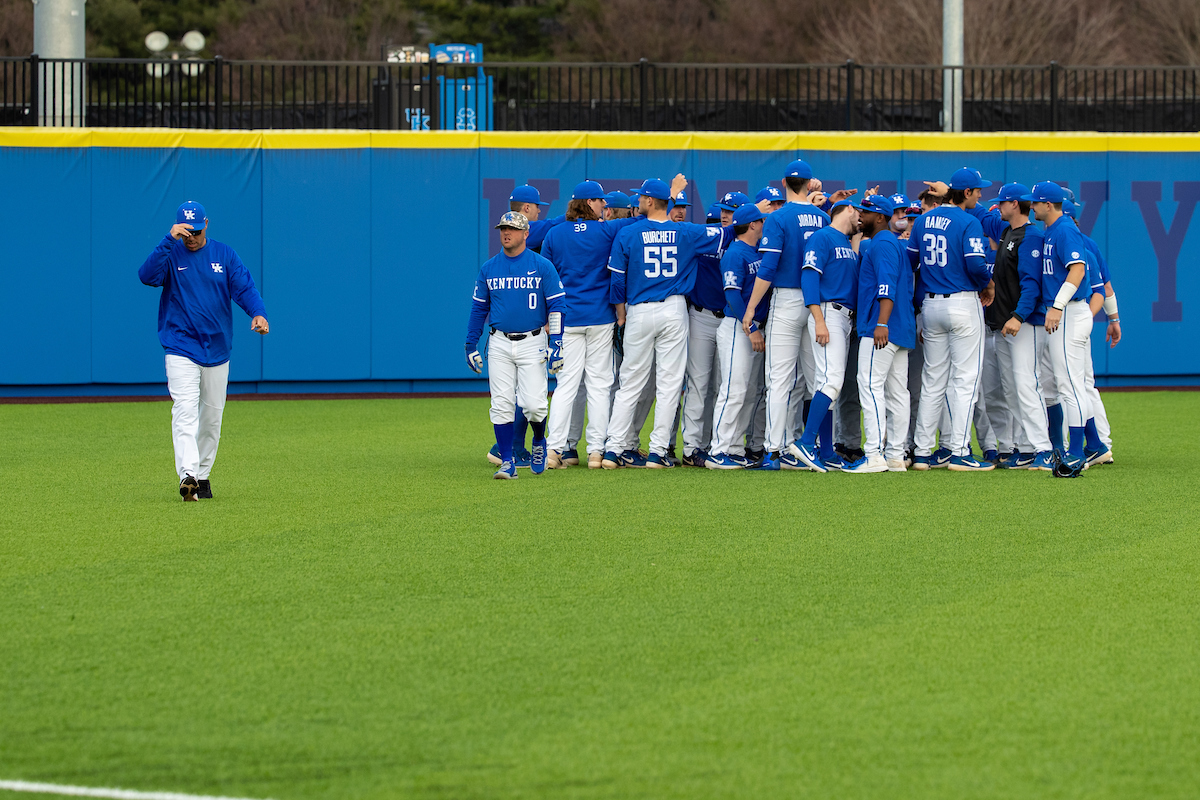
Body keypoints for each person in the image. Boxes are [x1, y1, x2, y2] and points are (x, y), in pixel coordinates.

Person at [138, 200, 269, 502]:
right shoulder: (171, 254)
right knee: (184, 410)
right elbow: (146, 276)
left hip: (217, 348)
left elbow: (245, 288)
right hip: (180, 346)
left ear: (206, 224)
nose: (192, 238)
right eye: (186, 233)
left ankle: (203, 476)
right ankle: (188, 475)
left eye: (196, 231)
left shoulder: (224, 254)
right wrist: (168, 240)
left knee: (211, 418)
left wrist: (258, 313)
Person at [602, 177, 734, 468]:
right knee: (669, 384)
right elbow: (726, 234)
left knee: (630, 383)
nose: (638, 201)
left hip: (638, 310)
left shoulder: (630, 233)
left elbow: (617, 280)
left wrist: (621, 314)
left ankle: (613, 449)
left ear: (650, 201)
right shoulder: (684, 231)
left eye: (642, 197)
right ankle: (658, 451)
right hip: (674, 310)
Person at [541, 181, 640, 469]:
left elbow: (545, 279)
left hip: (567, 318)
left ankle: (553, 449)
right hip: (600, 318)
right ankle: (596, 451)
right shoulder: (607, 230)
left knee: (566, 386)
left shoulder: (554, 233)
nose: (605, 207)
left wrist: (547, 318)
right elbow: (639, 221)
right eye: (600, 202)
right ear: (589, 203)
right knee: (599, 385)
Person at [742, 159, 830, 471]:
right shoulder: (822, 217)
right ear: (810, 184)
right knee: (817, 378)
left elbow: (767, 268)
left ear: (783, 184)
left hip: (787, 299)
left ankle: (773, 452)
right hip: (816, 302)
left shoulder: (777, 218)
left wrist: (751, 307)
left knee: (778, 380)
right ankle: (812, 446)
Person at [465, 212, 566, 479]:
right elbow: (478, 310)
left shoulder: (542, 265)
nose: (505, 233)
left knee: (534, 405)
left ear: (525, 233)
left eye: (511, 228)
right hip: (498, 342)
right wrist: (470, 344)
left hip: (533, 341)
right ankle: (507, 462)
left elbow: (557, 305)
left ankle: (538, 441)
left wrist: (557, 341)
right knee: (501, 404)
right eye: (502, 228)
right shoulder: (489, 268)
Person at [907, 167, 995, 471]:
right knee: (965, 380)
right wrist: (988, 283)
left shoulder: (922, 220)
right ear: (966, 193)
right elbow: (975, 264)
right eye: (977, 190)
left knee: (932, 381)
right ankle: (958, 451)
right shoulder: (968, 221)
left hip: (930, 305)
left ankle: (921, 452)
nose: (981, 194)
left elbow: (911, 262)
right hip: (962, 303)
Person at [975, 183, 1055, 470]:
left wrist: (1019, 316)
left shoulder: (1031, 236)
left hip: (1025, 324)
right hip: (1006, 323)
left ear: (1015, 204)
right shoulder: (1008, 231)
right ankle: (1026, 447)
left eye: (1003, 203)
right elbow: (983, 215)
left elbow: (1032, 285)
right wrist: (951, 191)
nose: (997, 206)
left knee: (1027, 385)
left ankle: (1044, 448)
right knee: (1012, 389)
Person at [789, 199, 861, 472]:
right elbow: (809, 277)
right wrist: (819, 319)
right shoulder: (822, 236)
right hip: (828, 313)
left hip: (842, 316)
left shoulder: (843, 241)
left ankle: (828, 451)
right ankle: (807, 442)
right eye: (858, 214)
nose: (860, 219)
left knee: (825, 383)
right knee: (831, 382)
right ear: (849, 210)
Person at [845, 194, 915, 473]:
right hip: (899, 327)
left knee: (871, 385)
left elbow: (886, 285)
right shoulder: (886, 243)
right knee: (898, 393)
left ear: (882, 218)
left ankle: (874, 455)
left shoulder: (884, 242)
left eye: (868, 212)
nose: (862, 215)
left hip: (882, 327)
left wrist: (881, 323)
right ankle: (896, 456)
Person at [1027, 181, 1093, 474]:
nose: (1032, 206)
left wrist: (1057, 306)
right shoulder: (1052, 230)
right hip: (1067, 313)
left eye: (1036, 202)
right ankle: (1078, 450)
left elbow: (1077, 270)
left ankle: (1077, 453)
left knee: (1070, 385)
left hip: (1069, 312)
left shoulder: (1064, 229)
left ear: (1049, 205)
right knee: (1065, 384)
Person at [707, 203, 768, 469]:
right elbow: (732, 295)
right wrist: (751, 327)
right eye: (761, 221)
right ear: (753, 225)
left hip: (750, 327)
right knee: (733, 390)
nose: (764, 224)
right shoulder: (735, 253)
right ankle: (718, 450)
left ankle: (733, 447)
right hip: (736, 327)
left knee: (748, 391)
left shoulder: (754, 251)